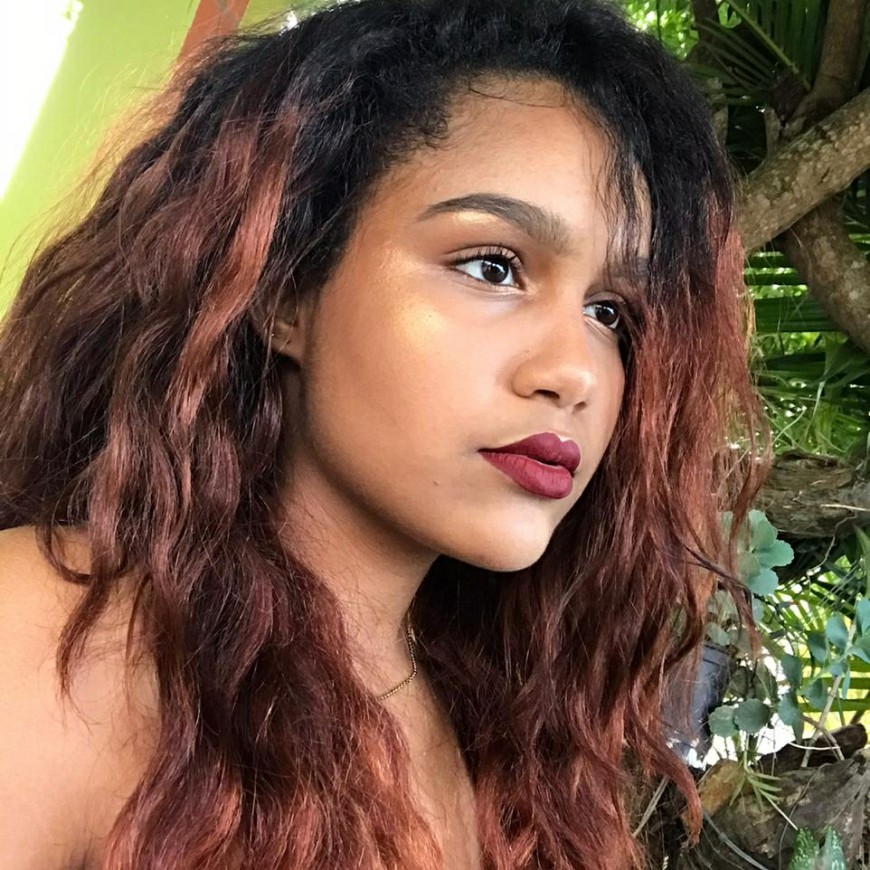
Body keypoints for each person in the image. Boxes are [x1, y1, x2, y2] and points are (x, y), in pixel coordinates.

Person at [0, 0, 771, 867]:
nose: (577, 372)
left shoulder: (513, 751)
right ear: (284, 288)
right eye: (493, 267)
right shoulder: (57, 639)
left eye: (609, 313)